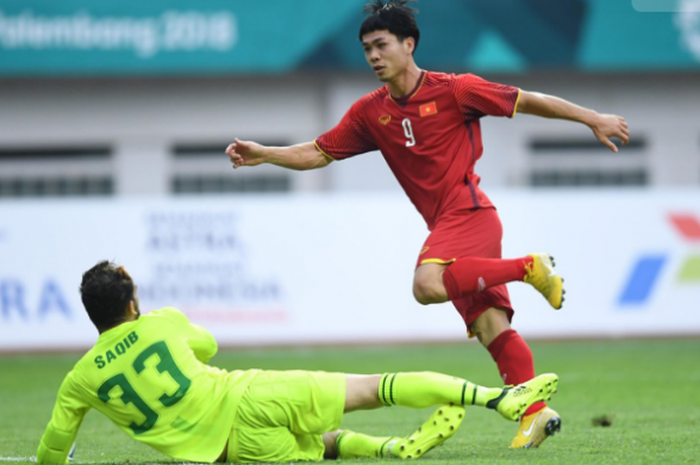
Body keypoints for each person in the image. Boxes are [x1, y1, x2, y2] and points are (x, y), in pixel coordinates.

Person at [225, 0, 629, 449]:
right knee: (491, 328)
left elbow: (527, 101)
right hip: (451, 222)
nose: (374, 56)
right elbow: (318, 152)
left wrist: (593, 117)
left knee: (426, 285)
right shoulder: (369, 112)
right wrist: (265, 153)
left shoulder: (456, 90)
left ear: (409, 44)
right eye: (366, 49)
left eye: (381, 45)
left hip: (469, 211)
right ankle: (536, 413)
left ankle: (529, 267)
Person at [37, 261, 559, 464]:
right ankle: (500, 398)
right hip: (255, 391)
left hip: (230, 451)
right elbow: (209, 347)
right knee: (374, 388)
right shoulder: (160, 321)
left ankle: (391, 450)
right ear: (131, 304)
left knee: (321, 449)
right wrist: (153, 319)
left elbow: (54, 447)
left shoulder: (79, 380)